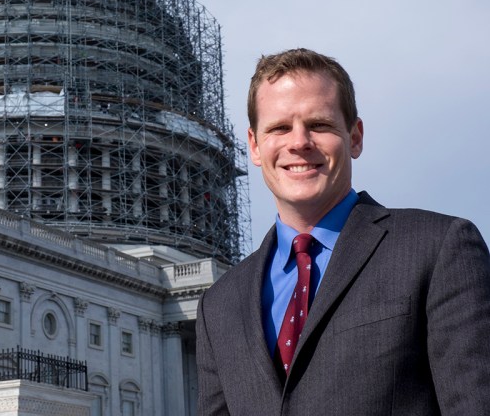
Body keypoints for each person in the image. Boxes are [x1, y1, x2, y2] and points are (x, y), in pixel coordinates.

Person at [196, 48, 490, 415]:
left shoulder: (439, 248)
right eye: (279, 127)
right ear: (255, 146)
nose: (298, 142)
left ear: (355, 137)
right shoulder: (219, 305)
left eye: (318, 124)